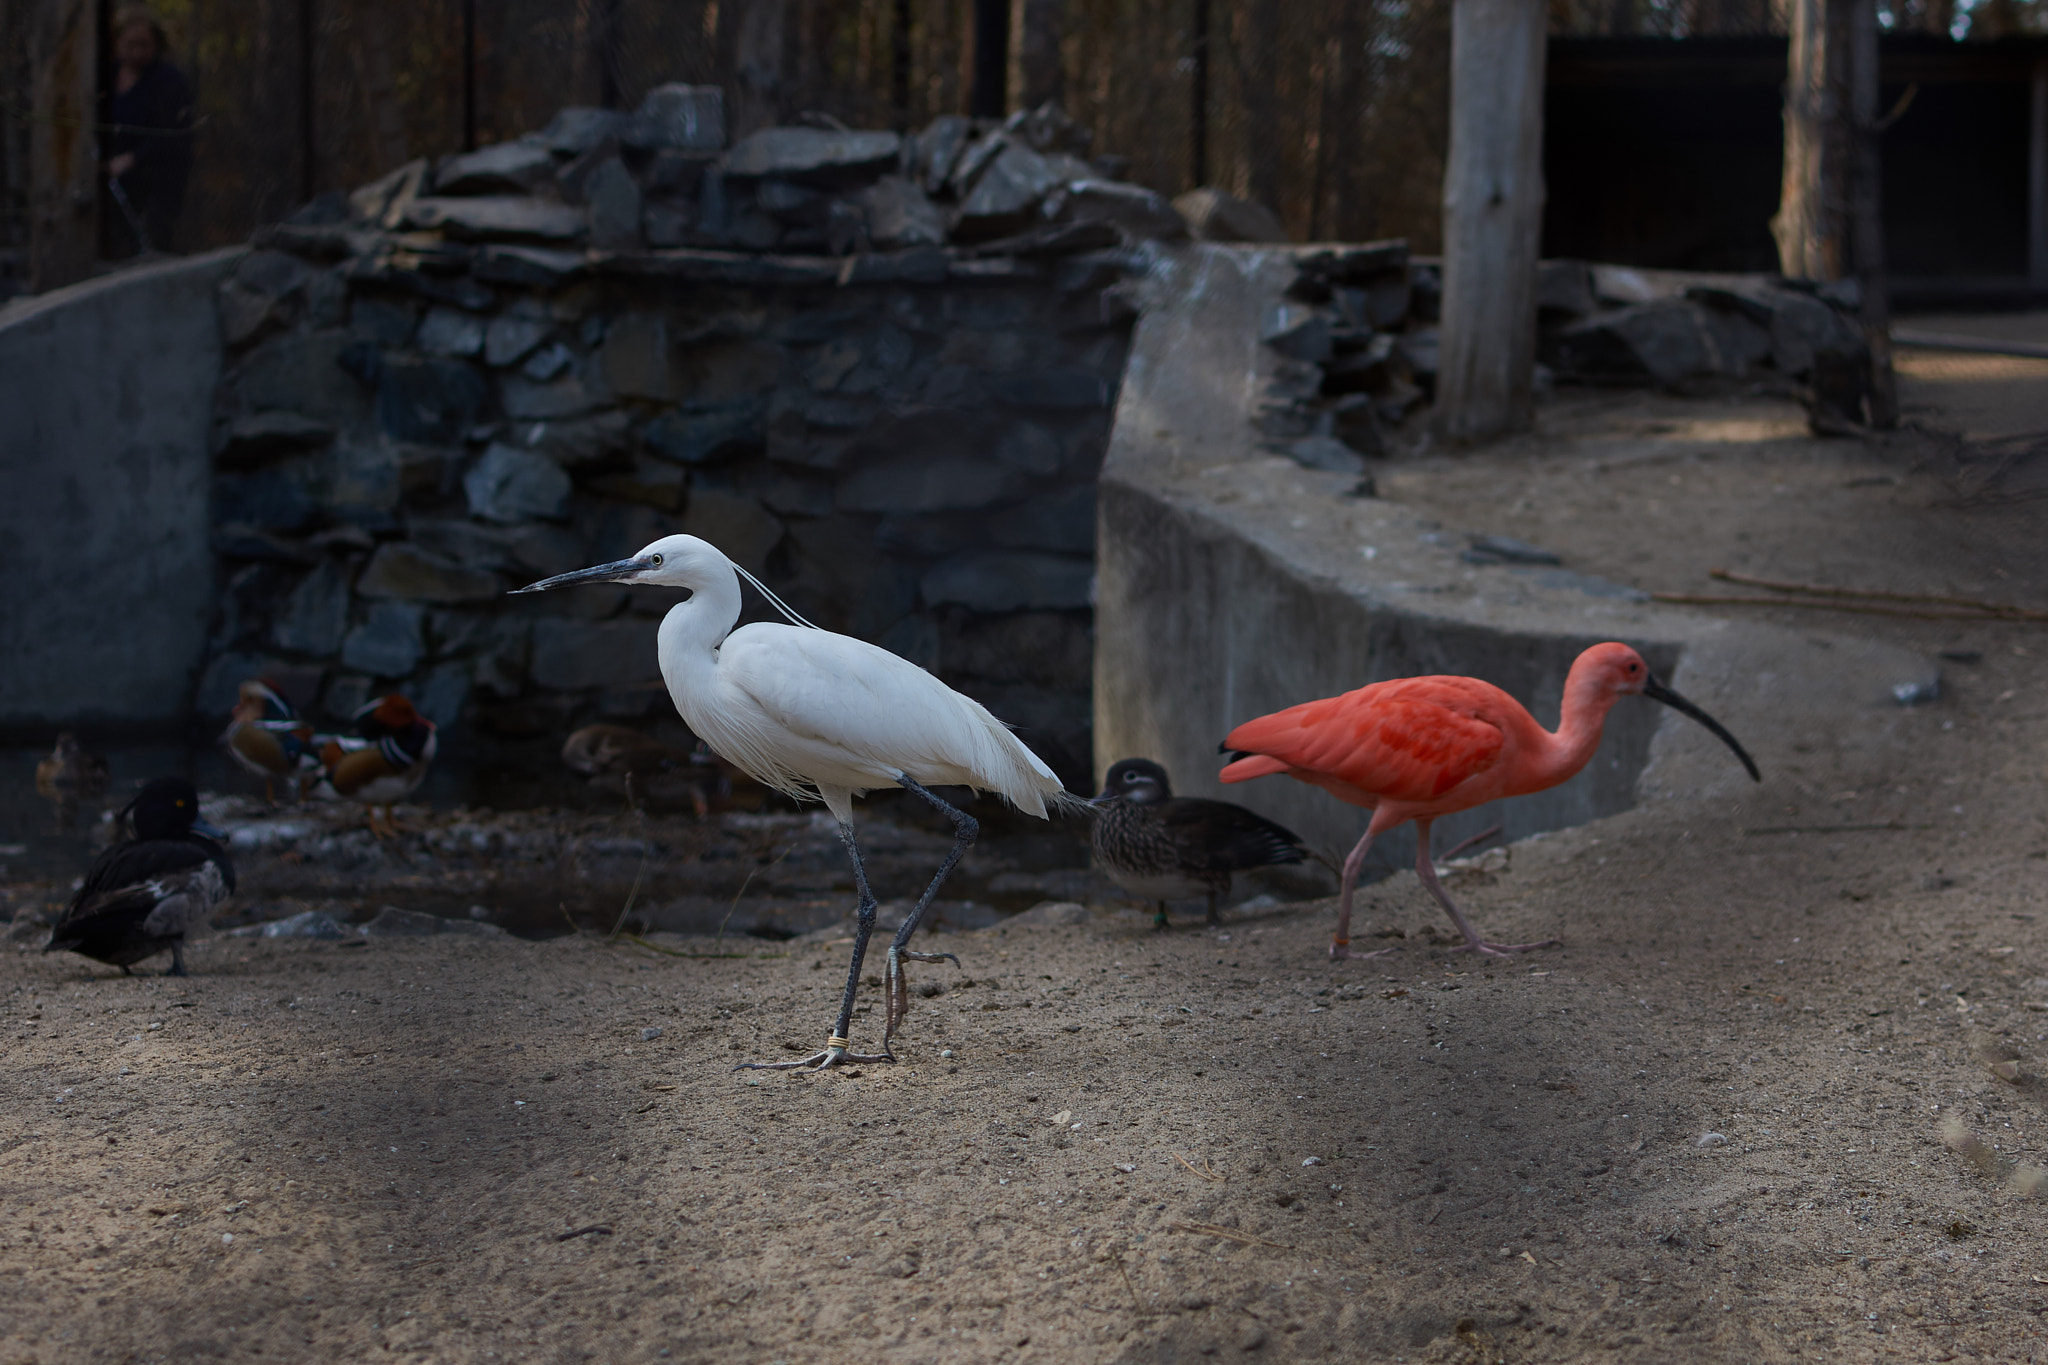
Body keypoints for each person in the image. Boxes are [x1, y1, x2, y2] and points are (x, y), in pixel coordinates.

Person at [104, 6, 193, 255]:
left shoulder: (168, 81)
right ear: (117, 41)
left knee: (151, 243)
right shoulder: (106, 77)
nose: (138, 52)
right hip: (113, 185)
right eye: (131, 44)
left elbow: (172, 136)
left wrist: (131, 159)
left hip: (155, 184)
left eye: (145, 44)